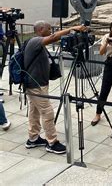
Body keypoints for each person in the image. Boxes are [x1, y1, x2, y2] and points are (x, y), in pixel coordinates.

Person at [24, 21, 87, 154]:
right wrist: (72, 28)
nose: (51, 31)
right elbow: (53, 37)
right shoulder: (35, 41)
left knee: (34, 111)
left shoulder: (37, 42)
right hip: (36, 85)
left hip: (37, 83)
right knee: (47, 112)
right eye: (48, 29)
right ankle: (52, 143)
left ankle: (33, 138)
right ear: (41, 29)